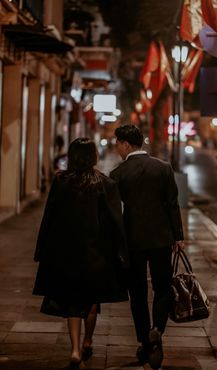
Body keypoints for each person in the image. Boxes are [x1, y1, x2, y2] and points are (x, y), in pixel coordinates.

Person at [33, 138, 129, 370]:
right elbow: (116, 222)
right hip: (97, 253)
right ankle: (88, 340)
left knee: (71, 301)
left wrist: (41, 250)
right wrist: (122, 252)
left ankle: (75, 349)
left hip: (66, 253)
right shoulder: (105, 184)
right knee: (91, 301)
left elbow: (49, 218)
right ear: (94, 156)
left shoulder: (61, 182)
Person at [110, 124, 184, 370]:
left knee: (138, 293)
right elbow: (172, 204)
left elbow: (115, 213)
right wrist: (178, 236)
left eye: (117, 144)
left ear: (126, 144)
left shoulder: (118, 174)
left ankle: (144, 340)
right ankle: (157, 330)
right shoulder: (162, 168)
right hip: (161, 238)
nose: (117, 149)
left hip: (133, 241)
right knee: (162, 287)